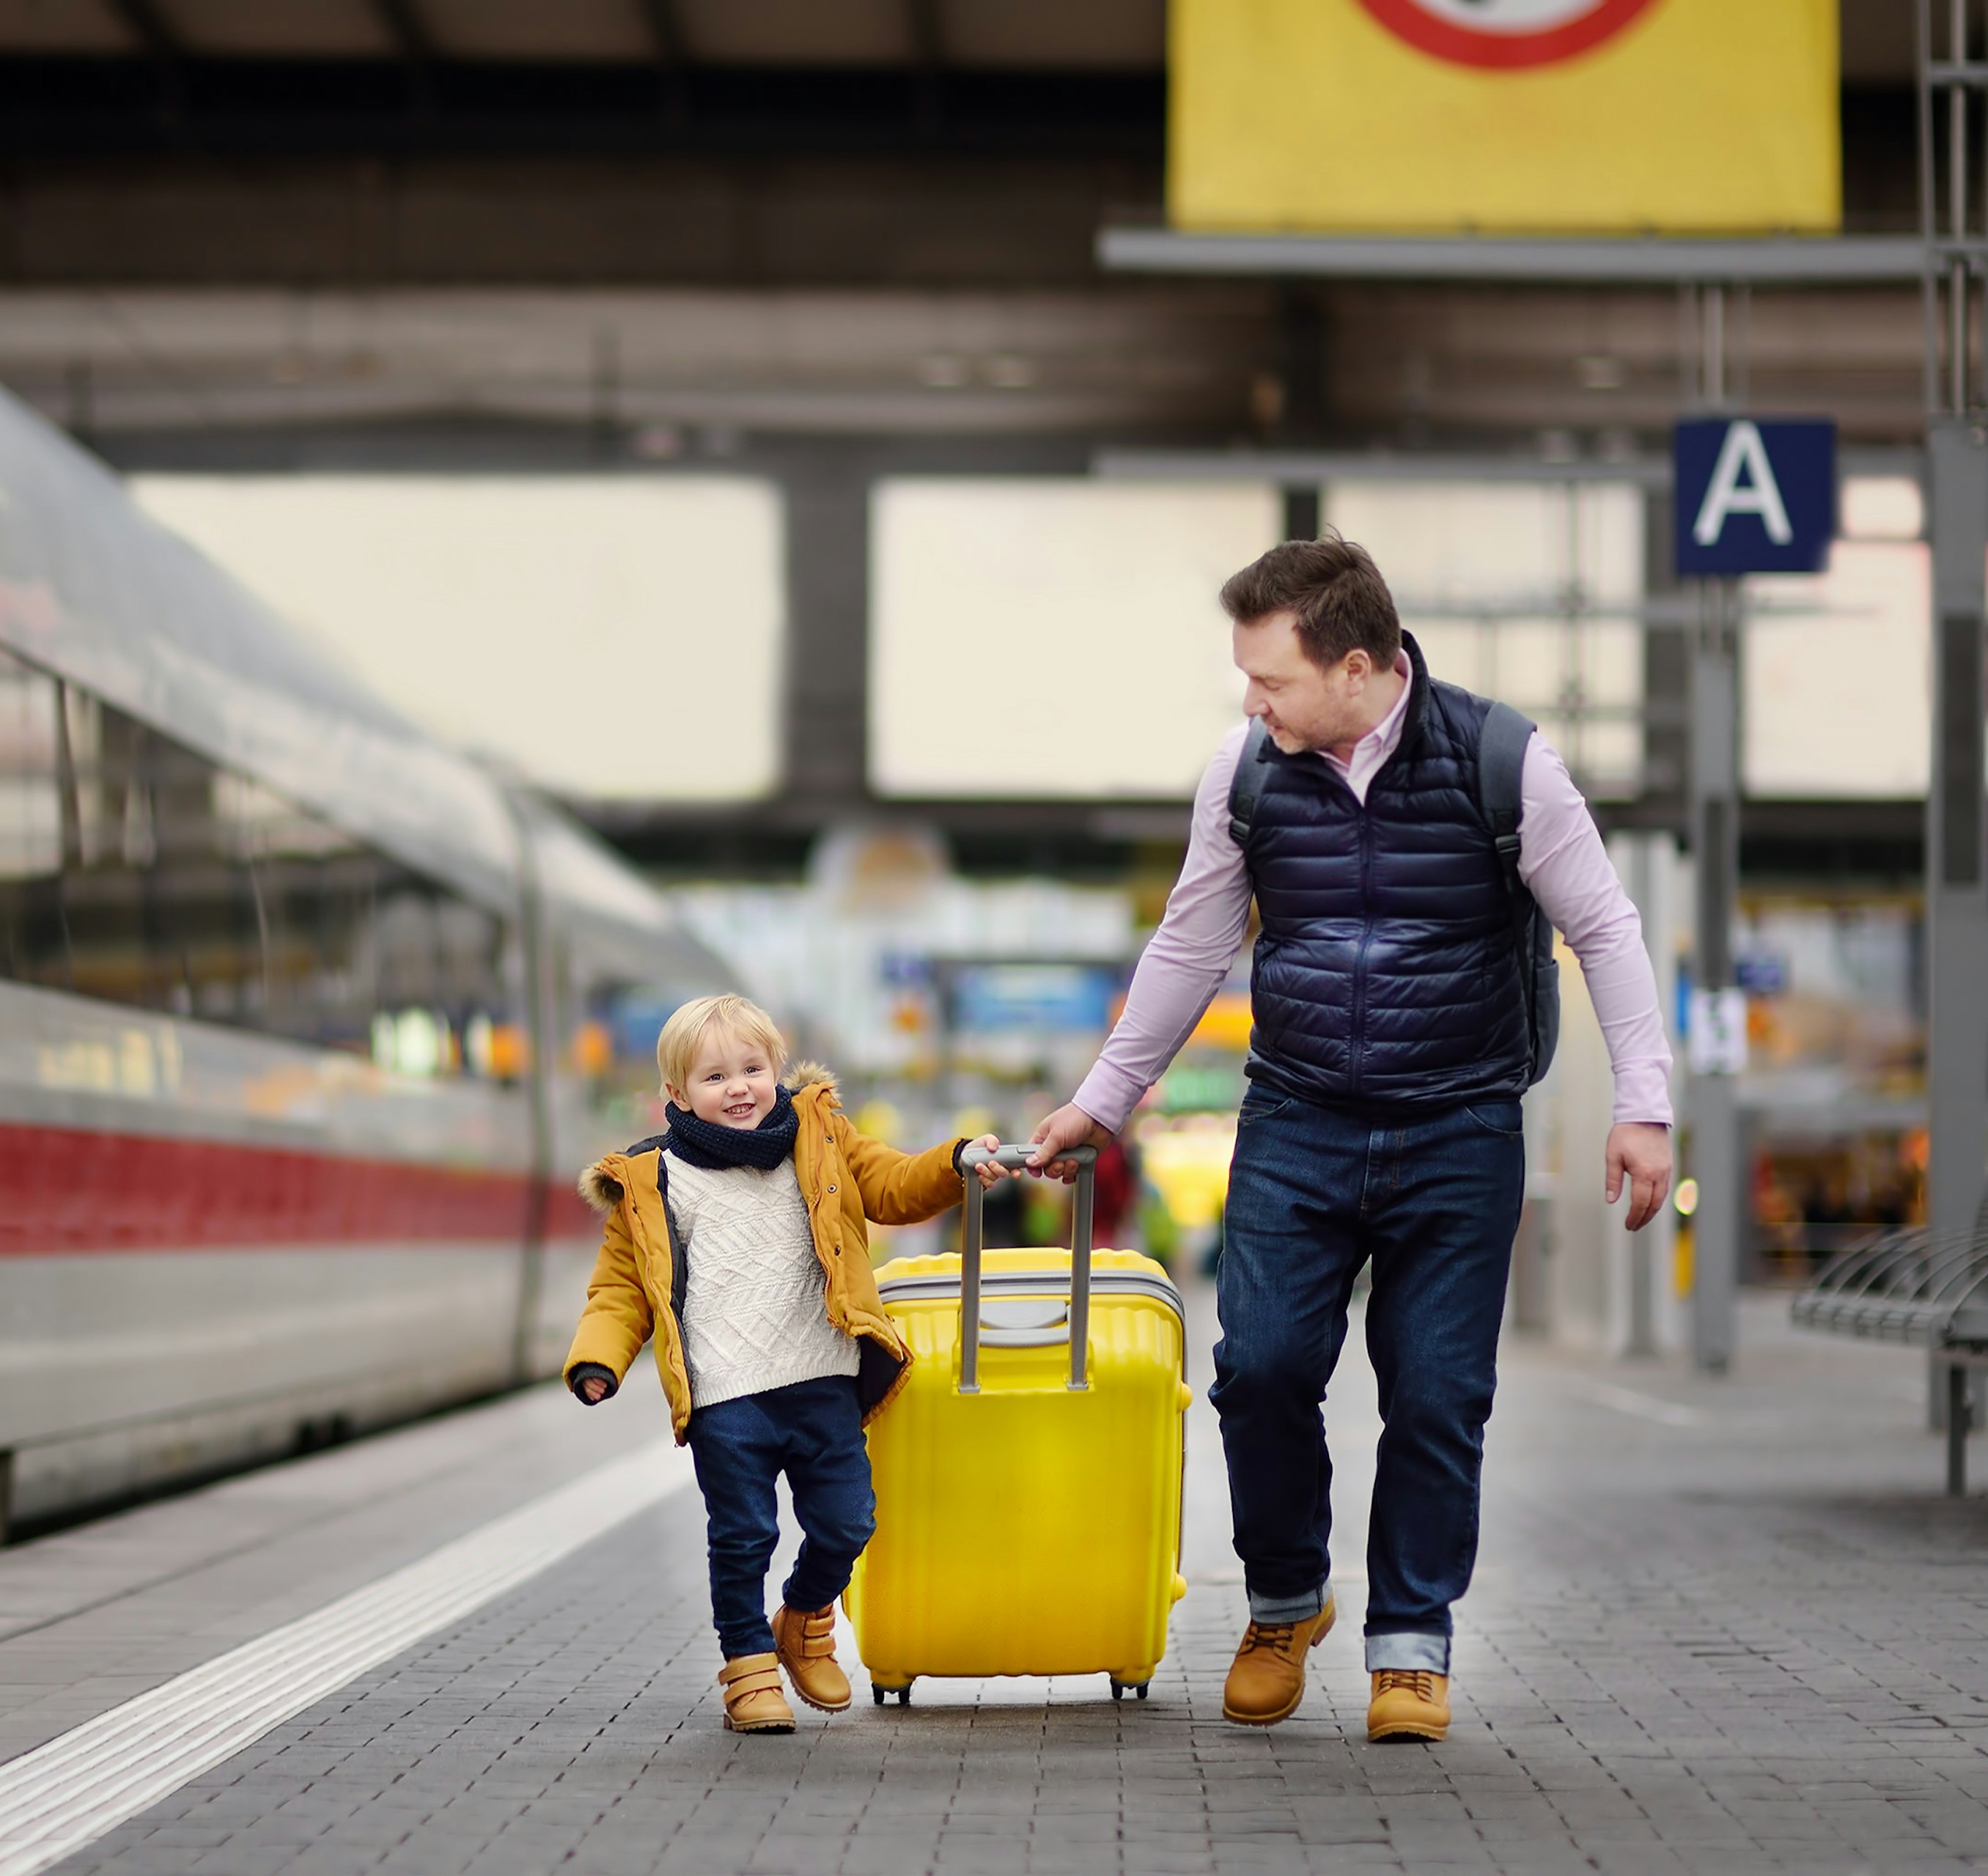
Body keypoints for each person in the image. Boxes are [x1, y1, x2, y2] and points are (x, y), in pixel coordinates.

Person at [1030, 535, 1673, 1746]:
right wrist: (1100, 1101)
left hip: (1460, 1120)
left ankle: (1411, 1639)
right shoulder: (1247, 772)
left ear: (1360, 665)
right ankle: (1285, 1599)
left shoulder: (1503, 760)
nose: (1249, 699)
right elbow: (1188, 945)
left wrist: (1644, 1102)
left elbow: (1607, 925)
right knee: (1260, 1367)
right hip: (1298, 1116)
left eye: (1270, 678)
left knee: (1437, 1394)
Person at [565, 993, 1010, 1735]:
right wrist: (598, 1360)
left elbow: (895, 1185)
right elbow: (618, 1291)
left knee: (848, 1522)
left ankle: (803, 1622)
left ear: (777, 1069)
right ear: (676, 1095)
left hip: (822, 1379)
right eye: (714, 1078)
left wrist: (956, 1161)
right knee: (743, 1536)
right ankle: (747, 1669)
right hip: (725, 1399)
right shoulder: (652, 1183)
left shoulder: (822, 1137)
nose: (738, 1087)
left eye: (752, 1068)